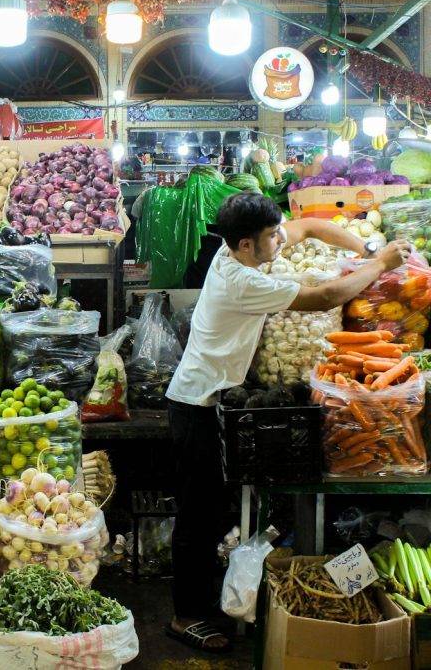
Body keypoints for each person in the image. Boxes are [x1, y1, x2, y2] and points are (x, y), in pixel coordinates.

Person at [164, 193, 410, 653]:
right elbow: (325, 298)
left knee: (215, 511)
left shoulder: (241, 249)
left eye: (278, 231)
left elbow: (311, 227)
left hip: (217, 396)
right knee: (199, 514)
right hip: (197, 404)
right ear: (245, 245)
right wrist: (382, 264)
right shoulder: (241, 280)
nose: (281, 240)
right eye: (271, 236)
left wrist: (367, 250)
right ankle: (185, 616)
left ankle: (209, 598)